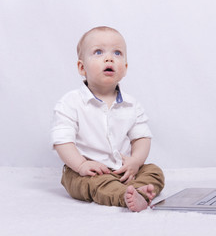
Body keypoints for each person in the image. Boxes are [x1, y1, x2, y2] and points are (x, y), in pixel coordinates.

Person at [51, 26, 165, 212]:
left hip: (123, 170)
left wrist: (135, 162)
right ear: (82, 67)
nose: (109, 58)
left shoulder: (131, 104)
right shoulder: (70, 102)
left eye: (117, 53)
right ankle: (126, 196)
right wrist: (81, 164)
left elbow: (142, 138)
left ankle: (137, 192)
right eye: (98, 52)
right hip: (86, 172)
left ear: (125, 69)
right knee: (95, 184)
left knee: (154, 171)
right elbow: (62, 140)